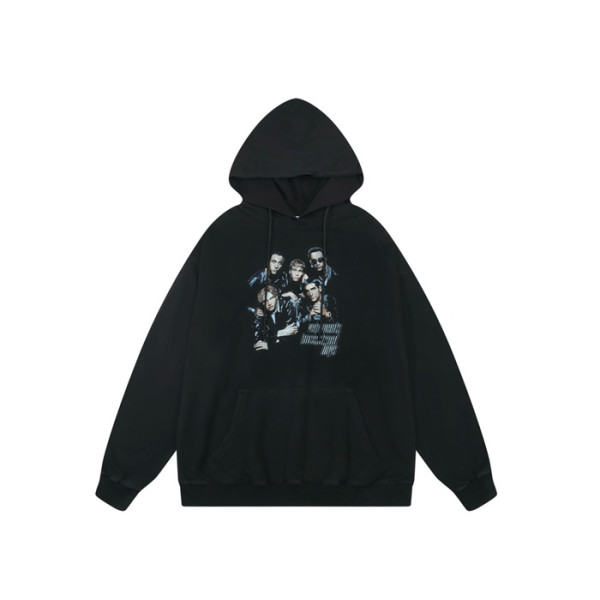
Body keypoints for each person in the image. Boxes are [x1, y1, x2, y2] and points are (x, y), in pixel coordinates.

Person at [252, 284, 299, 351]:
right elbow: (258, 337)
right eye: (265, 301)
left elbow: (292, 334)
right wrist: (281, 333)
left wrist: (269, 344)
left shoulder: (287, 305)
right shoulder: (260, 312)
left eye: (271, 298)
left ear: (276, 297)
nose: (269, 303)